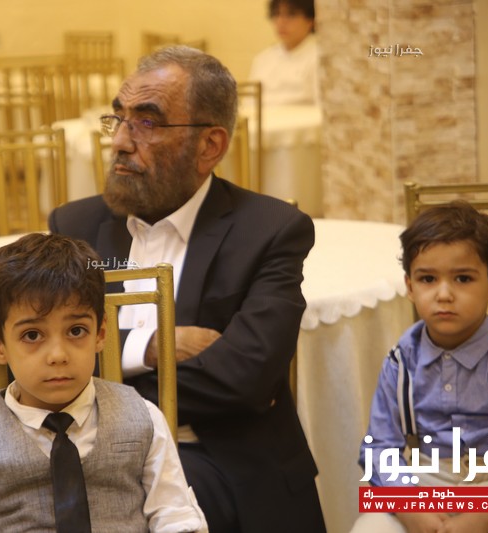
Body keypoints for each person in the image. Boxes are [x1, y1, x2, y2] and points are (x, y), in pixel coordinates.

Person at [48, 46, 324, 532]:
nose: (120, 142)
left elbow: (244, 378)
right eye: (118, 118)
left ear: (209, 146)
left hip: (216, 457)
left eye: (147, 122)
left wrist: (96, 389)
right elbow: (40, 357)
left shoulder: (270, 230)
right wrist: (149, 347)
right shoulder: (76, 226)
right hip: (96, 456)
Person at [0, 232, 207, 532]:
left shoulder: (144, 418)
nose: (58, 355)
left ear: (100, 334)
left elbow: (174, 515)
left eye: (76, 331)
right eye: (32, 335)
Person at [352, 202, 488, 533]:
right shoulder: (400, 361)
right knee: (369, 529)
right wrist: (410, 509)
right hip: (422, 482)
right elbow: (379, 450)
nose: (444, 294)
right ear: (410, 287)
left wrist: (487, 514)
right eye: (428, 279)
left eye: (463, 278)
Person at [249, 0, 319, 106]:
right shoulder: (263, 59)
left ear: (311, 21)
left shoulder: (320, 58)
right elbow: (250, 103)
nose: (281, 21)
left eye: (291, 14)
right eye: (277, 14)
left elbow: (322, 108)